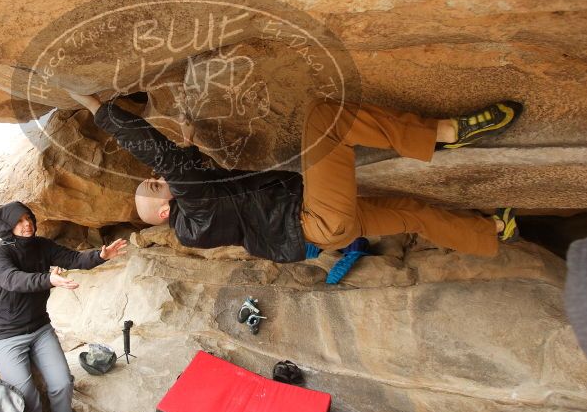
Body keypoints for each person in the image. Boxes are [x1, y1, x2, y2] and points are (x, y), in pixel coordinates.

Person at [66, 91, 522, 262]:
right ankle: (441, 134)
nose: (153, 178)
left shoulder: (198, 213)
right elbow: (172, 164)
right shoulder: (195, 213)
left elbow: (195, 173)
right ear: (164, 209)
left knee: (415, 215)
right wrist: (100, 111)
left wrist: (189, 138)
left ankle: (492, 231)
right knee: (327, 118)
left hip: (324, 230)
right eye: (152, 186)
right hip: (314, 219)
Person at [0, 201, 127, 412]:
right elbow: (12, 279)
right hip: (5, 335)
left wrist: (100, 256)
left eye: (28, 218)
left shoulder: (42, 246)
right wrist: (48, 279)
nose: (26, 224)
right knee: (27, 398)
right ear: (7, 226)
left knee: (62, 382)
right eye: (18, 221)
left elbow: (74, 259)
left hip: (39, 328)